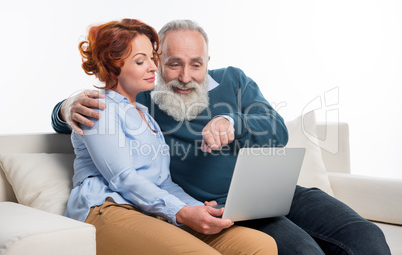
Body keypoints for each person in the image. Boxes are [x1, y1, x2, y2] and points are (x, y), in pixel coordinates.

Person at [53, 19, 391, 255]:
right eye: (173, 64)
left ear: (208, 62)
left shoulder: (233, 80)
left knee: (365, 235)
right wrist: (66, 107)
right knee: (303, 251)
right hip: (226, 207)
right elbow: (94, 111)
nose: (185, 77)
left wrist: (233, 122)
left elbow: (278, 130)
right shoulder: (142, 97)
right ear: (158, 62)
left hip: (281, 191)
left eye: (196, 64)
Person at [64, 18, 278, 255]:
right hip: (109, 207)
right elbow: (122, 178)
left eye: (152, 59)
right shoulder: (96, 107)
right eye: (140, 60)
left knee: (262, 245)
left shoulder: (146, 114)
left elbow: (164, 183)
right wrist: (182, 212)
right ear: (113, 66)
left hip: (151, 209)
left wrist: (198, 208)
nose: (154, 67)